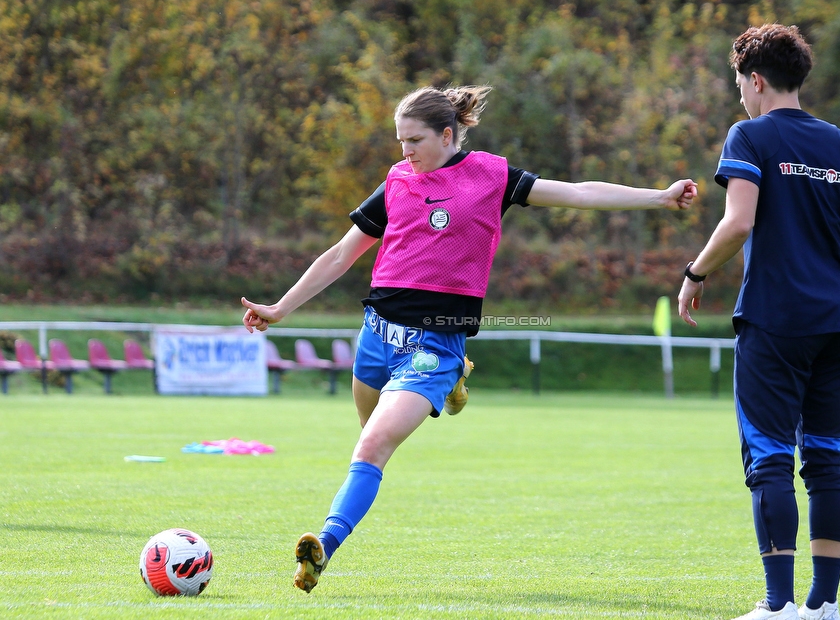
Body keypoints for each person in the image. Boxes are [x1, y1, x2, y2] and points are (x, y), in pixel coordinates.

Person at [241, 84, 699, 593]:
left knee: (372, 447)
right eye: (399, 141)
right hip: (375, 339)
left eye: (414, 140)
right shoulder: (396, 181)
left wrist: (658, 197)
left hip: (433, 347)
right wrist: (280, 307)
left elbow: (577, 192)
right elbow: (340, 255)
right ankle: (454, 384)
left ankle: (323, 547)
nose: (405, 152)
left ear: (447, 134)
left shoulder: (490, 176)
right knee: (365, 439)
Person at [676, 24, 840, 620]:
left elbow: (738, 222)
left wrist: (695, 272)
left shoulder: (750, 134)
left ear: (756, 80)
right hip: (839, 321)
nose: (741, 97)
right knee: (825, 456)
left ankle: (778, 606)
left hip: (776, 318)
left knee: (769, 455)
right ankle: (824, 606)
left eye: (741, 84)